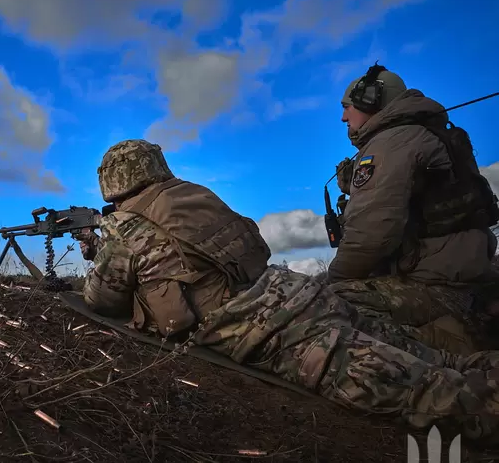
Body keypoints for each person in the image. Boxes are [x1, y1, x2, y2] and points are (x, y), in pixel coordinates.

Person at [79, 138, 499, 446]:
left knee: (415, 390)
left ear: (112, 183)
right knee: (430, 357)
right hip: (291, 291)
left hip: (262, 329)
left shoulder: (125, 226)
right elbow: (248, 245)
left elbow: (103, 299)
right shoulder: (195, 195)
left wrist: (98, 250)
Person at [328, 62, 499, 355]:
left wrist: (334, 280)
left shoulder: (390, 142)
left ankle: (462, 342)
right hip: (467, 274)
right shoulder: (425, 134)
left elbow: (370, 236)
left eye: (347, 107)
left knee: (327, 304)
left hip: (438, 286)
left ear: (371, 100)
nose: (344, 117)